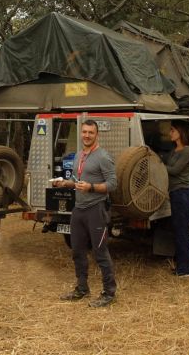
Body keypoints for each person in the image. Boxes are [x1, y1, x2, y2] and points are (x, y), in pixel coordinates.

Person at [52, 119, 119, 307]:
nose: (87, 135)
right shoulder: (79, 155)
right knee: (77, 251)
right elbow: (78, 180)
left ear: (97, 135)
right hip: (78, 209)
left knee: (100, 252)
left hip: (96, 209)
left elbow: (113, 184)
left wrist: (91, 187)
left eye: (91, 132)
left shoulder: (103, 157)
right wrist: (66, 183)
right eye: (84, 132)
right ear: (81, 134)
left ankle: (109, 293)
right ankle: (82, 289)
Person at [163, 121, 189, 277]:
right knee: (178, 229)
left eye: (172, 130)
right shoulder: (173, 151)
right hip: (175, 193)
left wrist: (159, 165)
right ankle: (181, 265)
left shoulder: (187, 151)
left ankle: (187, 268)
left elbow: (174, 170)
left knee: (183, 230)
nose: (170, 133)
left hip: (182, 193)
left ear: (180, 132)